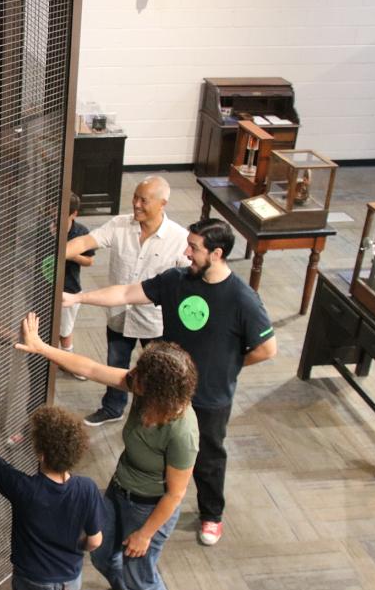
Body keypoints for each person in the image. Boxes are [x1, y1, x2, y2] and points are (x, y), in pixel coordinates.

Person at [63, 218, 278, 547]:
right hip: (163, 391)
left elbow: (267, 348)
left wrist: (230, 366)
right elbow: (125, 293)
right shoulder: (176, 280)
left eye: (194, 248)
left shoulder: (242, 298)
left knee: (207, 457)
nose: (186, 252)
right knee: (146, 445)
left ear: (217, 254)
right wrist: (78, 299)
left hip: (209, 398)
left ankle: (211, 514)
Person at [15, 313, 198, 590]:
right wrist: (41, 347)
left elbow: (175, 494)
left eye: (140, 375)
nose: (132, 376)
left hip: (150, 509)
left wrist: (145, 534)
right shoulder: (143, 390)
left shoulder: (182, 431)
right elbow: (91, 368)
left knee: (143, 582)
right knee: (100, 554)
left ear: (160, 390)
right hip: (119, 491)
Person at [0, 362, 104, 590]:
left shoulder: (23, 489)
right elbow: (95, 541)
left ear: (40, 453)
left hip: (32, 578)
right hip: (69, 577)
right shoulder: (86, 489)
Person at [63, 176, 189, 426]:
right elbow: (85, 242)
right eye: (135, 197)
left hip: (155, 322)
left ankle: (158, 414)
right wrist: (58, 252)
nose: (136, 204)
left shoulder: (179, 239)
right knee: (115, 362)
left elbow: (188, 284)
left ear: (163, 203)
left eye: (144, 200)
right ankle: (113, 407)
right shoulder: (119, 225)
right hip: (119, 314)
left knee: (159, 372)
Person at [60, 193, 96, 381]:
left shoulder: (81, 232)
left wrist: (68, 252)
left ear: (74, 214)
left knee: (65, 331)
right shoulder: (45, 227)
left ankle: (70, 363)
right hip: (45, 286)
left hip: (70, 289)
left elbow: (89, 260)